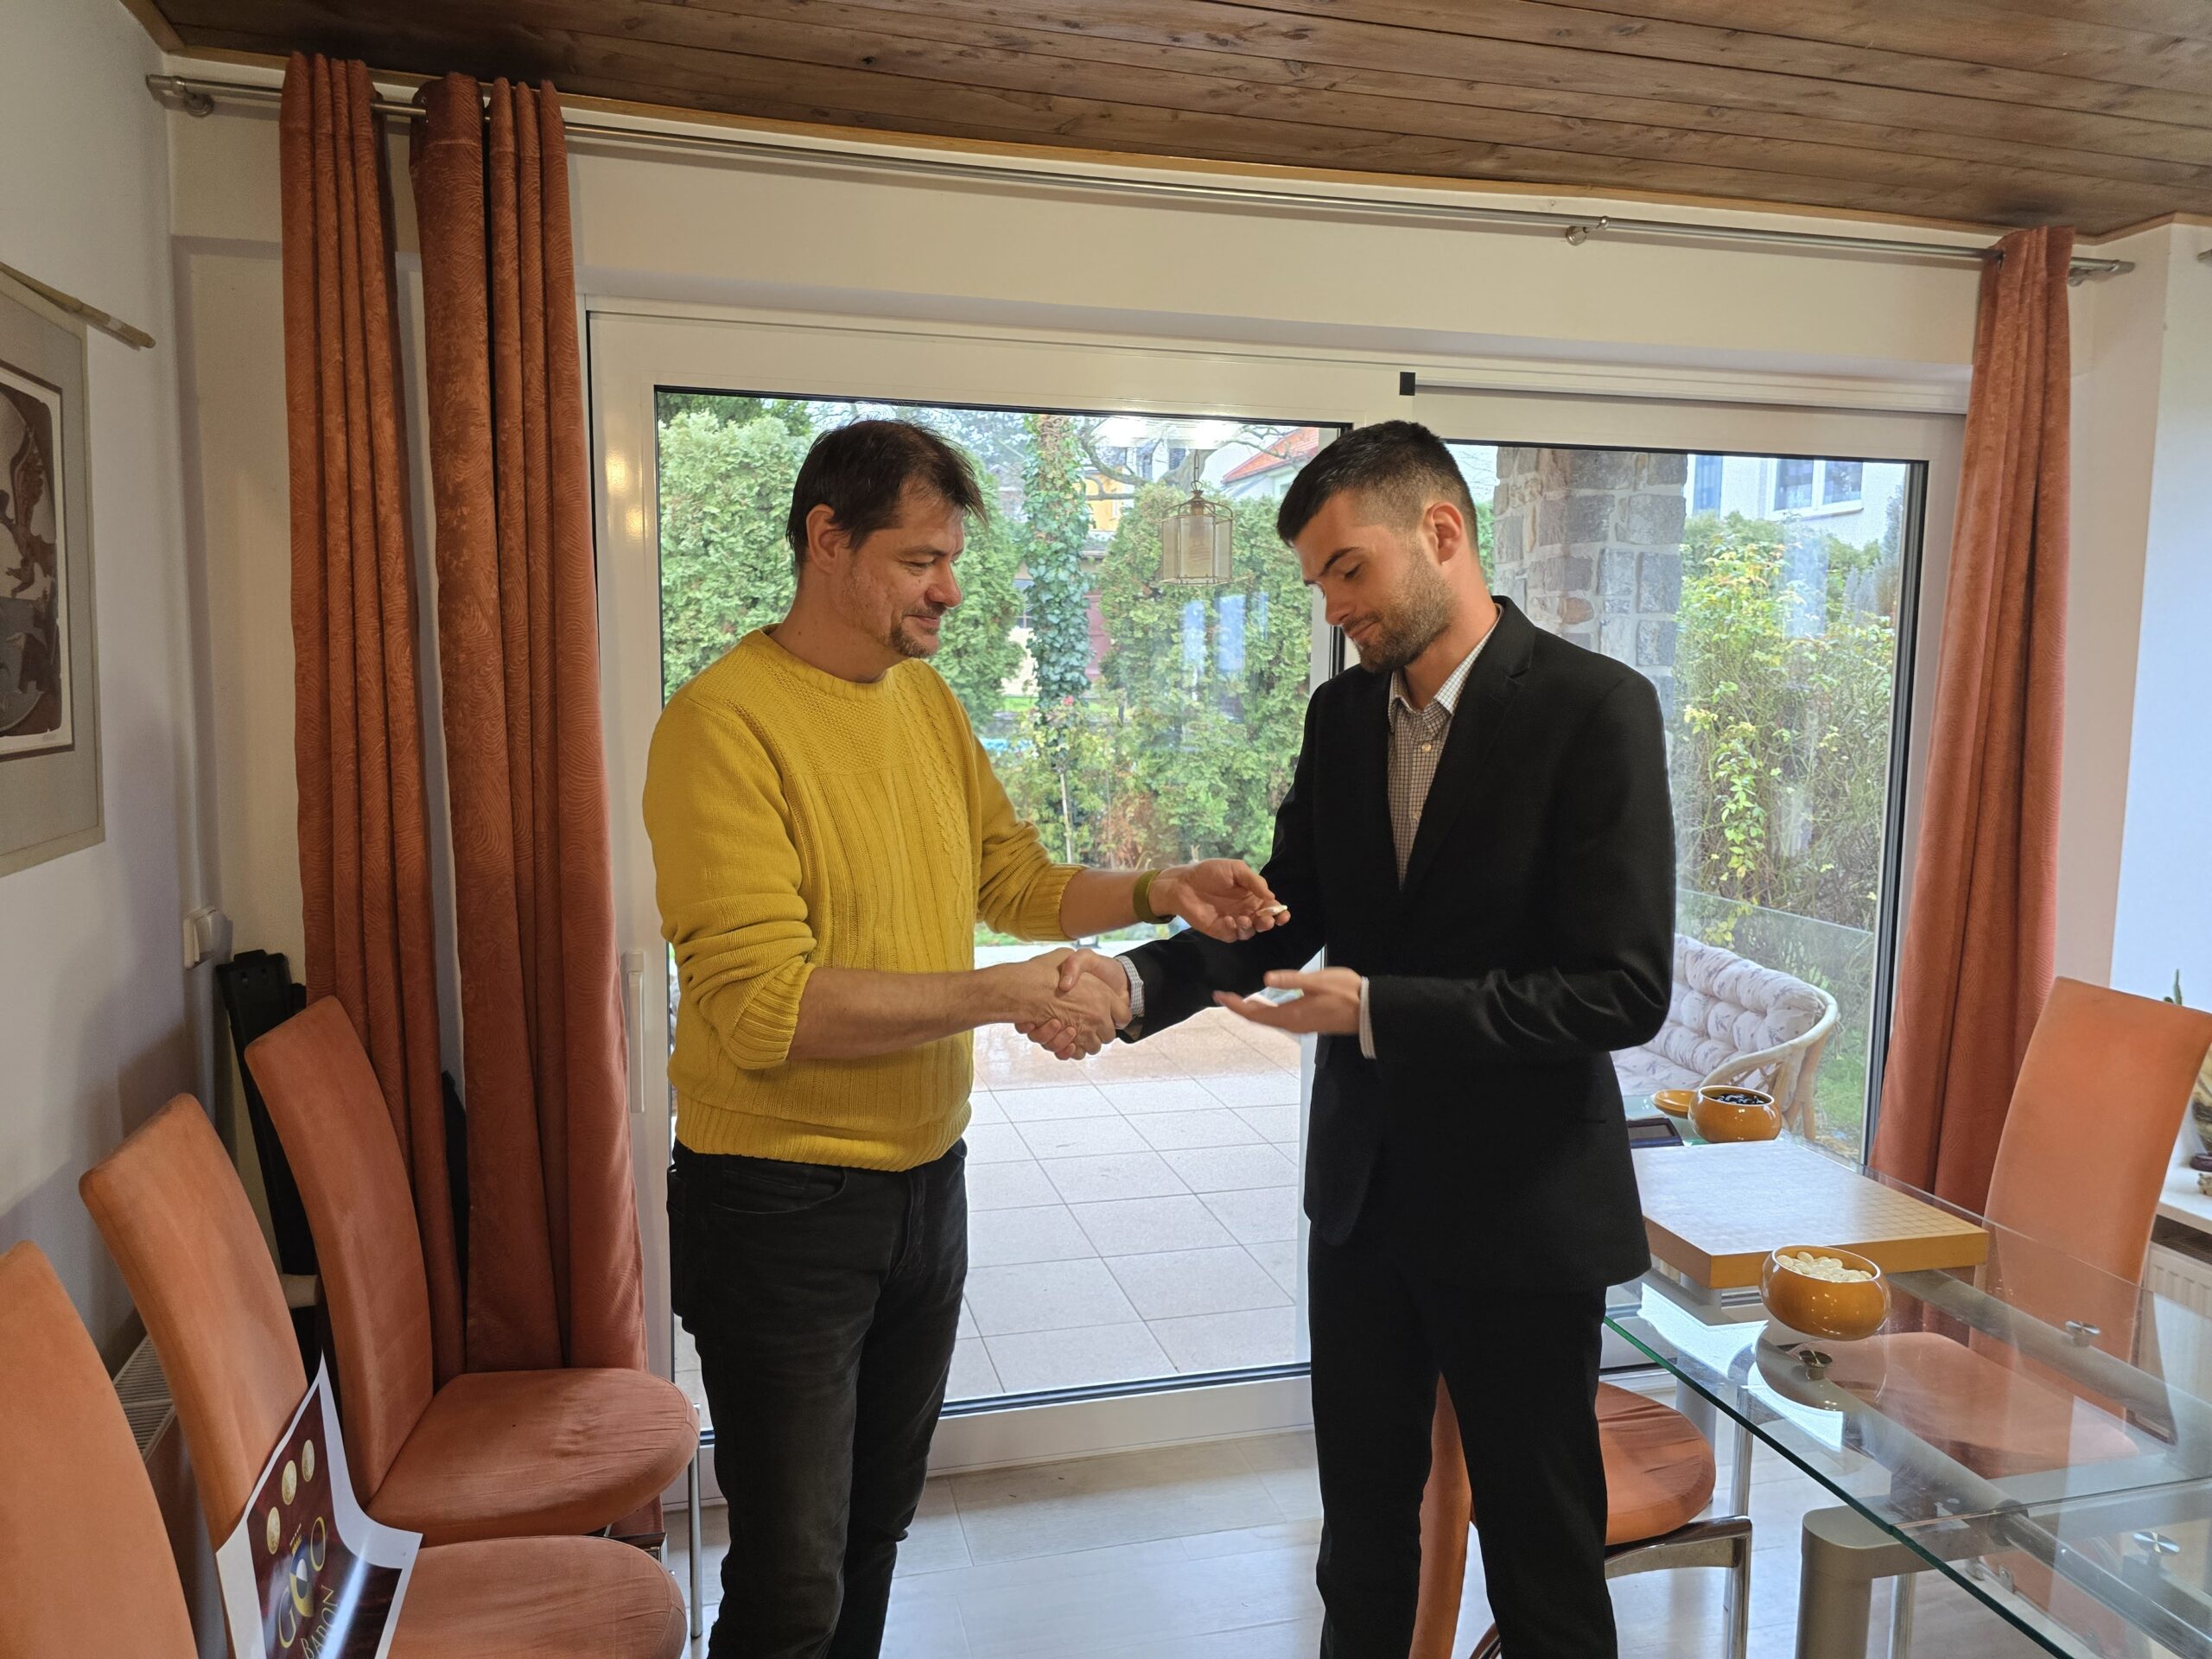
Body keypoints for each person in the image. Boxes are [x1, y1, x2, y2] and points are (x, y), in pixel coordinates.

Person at [643, 418, 1283, 1659]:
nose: (946, 589)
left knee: (876, 1530)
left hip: (927, 1185)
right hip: (777, 1208)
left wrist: (1160, 888)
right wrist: (1000, 994)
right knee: (792, 1582)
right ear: (827, 540)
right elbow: (763, 1007)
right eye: (919, 560)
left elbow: (1011, 879)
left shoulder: (926, 704)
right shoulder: (720, 725)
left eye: (952, 562)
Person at [1047, 421, 1673, 1657]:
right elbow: (1286, 915)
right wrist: (1133, 987)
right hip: (1365, 1207)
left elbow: (1622, 989)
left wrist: (1381, 1009)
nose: (1334, 608)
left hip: (1526, 1215)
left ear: (1442, 533)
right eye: (1319, 582)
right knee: (1360, 1550)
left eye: (1349, 569)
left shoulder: (1597, 709)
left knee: (1545, 1569)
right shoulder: (1340, 717)